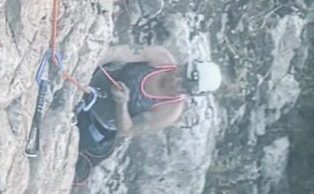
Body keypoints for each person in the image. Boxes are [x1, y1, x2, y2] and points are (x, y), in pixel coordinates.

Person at [70, 44, 216, 177]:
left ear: (189, 93)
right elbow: (118, 52)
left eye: (183, 85)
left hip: (95, 121)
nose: (175, 80)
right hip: (92, 78)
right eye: (181, 73)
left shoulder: (169, 111)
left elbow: (127, 129)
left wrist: (121, 103)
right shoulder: (160, 58)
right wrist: (89, 64)